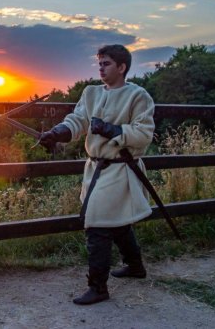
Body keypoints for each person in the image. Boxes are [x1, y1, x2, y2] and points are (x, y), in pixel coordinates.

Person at [39, 44, 155, 305]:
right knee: (117, 221)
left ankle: (98, 287)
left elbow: (144, 134)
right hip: (95, 169)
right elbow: (78, 120)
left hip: (120, 168)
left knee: (98, 224)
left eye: (107, 64)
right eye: (99, 63)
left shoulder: (139, 97)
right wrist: (58, 133)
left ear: (122, 67)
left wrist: (113, 130)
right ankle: (135, 265)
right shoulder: (90, 93)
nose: (101, 68)